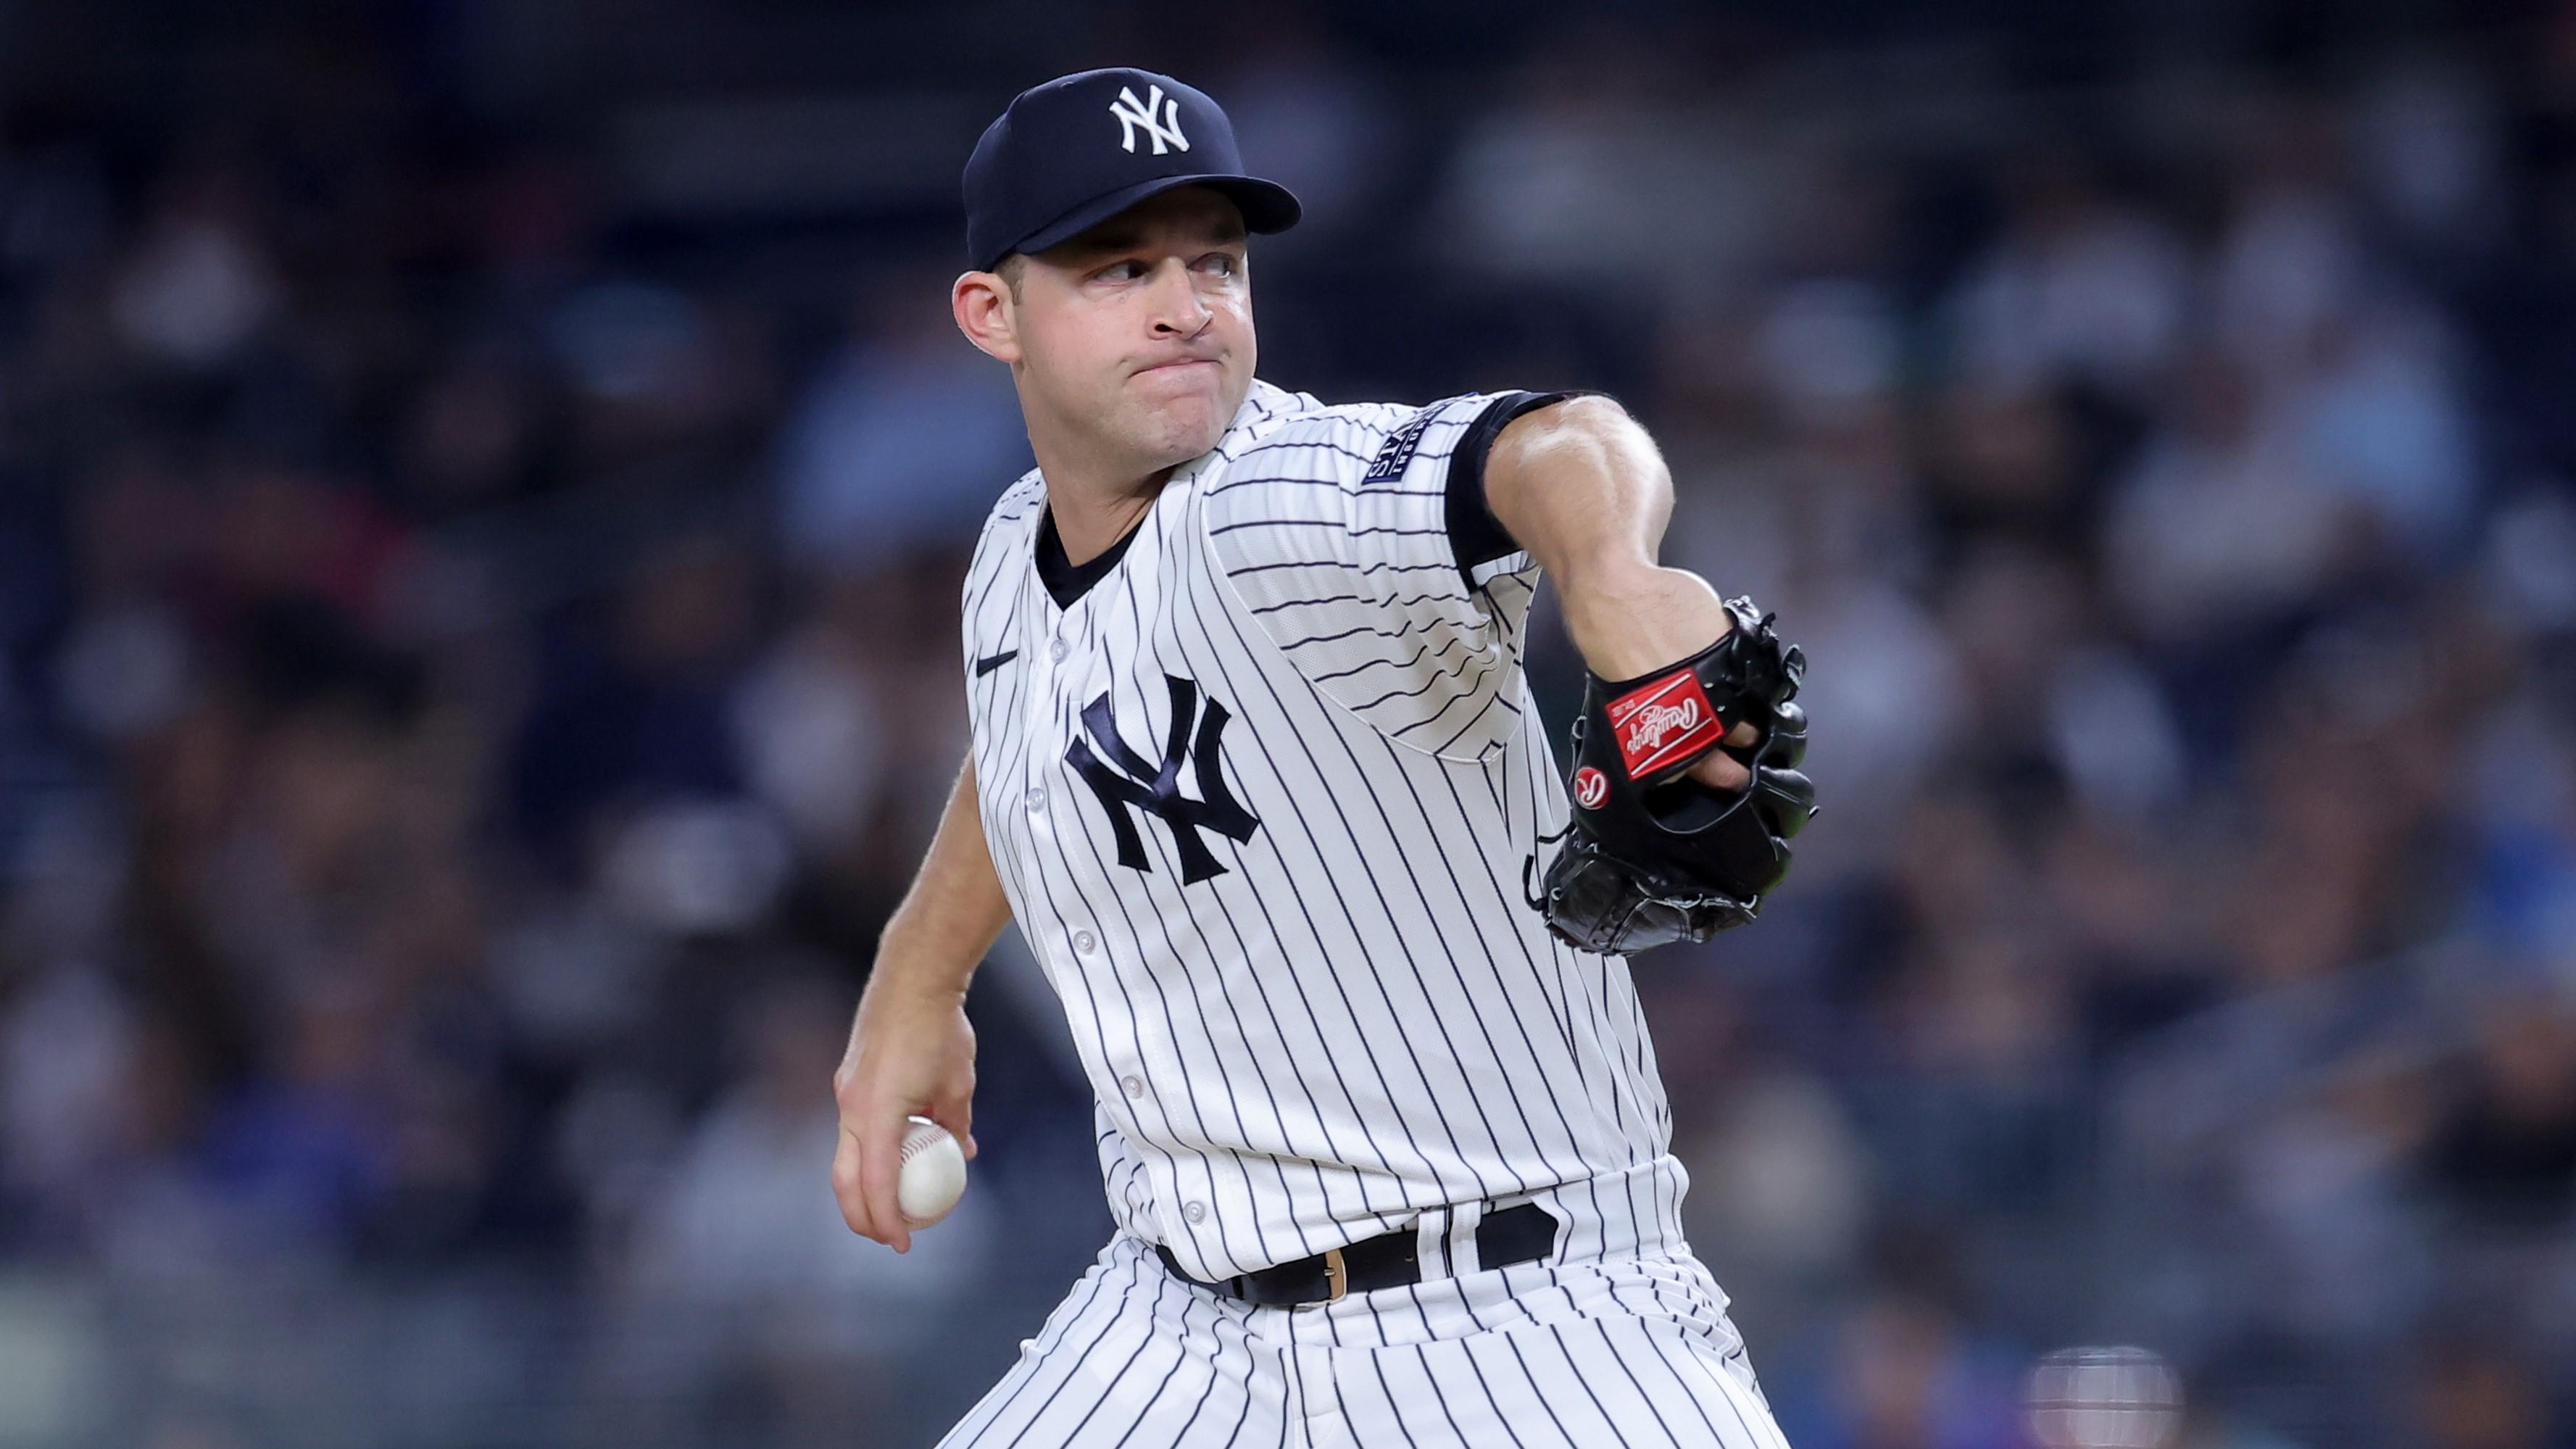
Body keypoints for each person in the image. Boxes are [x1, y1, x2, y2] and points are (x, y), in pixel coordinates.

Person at [833, 67, 1797, 1448]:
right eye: (1117, 269)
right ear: (995, 315)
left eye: (1212, 261)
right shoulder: (1009, 554)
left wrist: (1615, 578)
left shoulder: (1283, 505)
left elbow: (1558, 443)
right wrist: (913, 983)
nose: (1184, 304)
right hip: (1173, 1329)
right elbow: (1043, 735)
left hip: (1521, 1327)